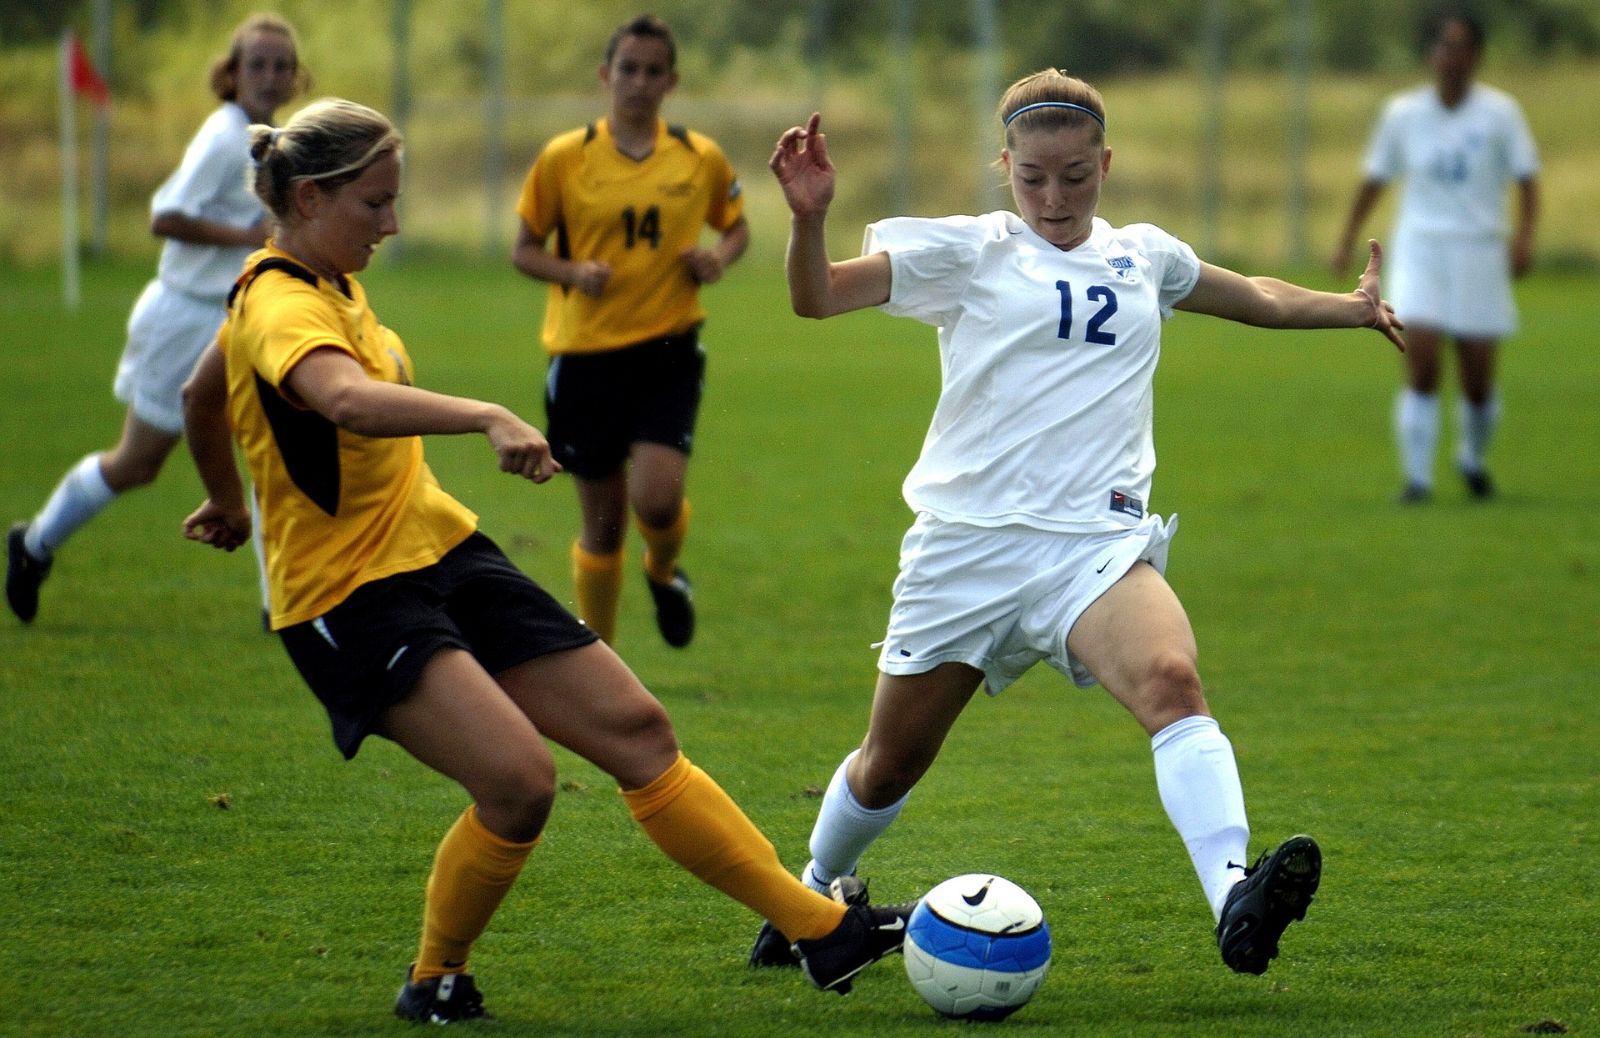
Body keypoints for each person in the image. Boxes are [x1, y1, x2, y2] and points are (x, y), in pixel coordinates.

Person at [180, 97, 910, 1024]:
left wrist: (220, 494)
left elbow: (204, 393)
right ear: (314, 198)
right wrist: (487, 414)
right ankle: (436, 975)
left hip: (440, 550)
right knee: (519, 785)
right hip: (349, 594)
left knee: (640, 732)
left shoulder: (311, 285)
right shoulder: (280, 301)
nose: (393, 223)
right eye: (376, 203)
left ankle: (820, 931)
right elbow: (347, 402)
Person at [749, 71, 1408, 979]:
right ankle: (812, 894)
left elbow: (1253, 295)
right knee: (889, 765)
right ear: (1005, 169)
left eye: (1074, 176)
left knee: (1173, 682)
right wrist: (808, 216)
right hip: (967, 548)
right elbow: (815, 295)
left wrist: (1353, 308)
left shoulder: (1147, 256)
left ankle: (1234, 897)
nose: (1054, 199)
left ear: (1106, 164)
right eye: (1032, 179)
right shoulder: (967, 252)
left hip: (1092, 549)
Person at [6, 14, 306, 624]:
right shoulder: (225, 136)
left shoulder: (275, 138)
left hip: (243, 320)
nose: (270, 77)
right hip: (184, 318)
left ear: (297, 76)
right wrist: (244, 234)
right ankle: (32, 544)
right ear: (232, 72)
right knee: (137, 463)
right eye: (257, 65)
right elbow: (164, 214)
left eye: (282, 66)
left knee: (273, 446)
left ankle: (281, 607)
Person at [511, 14, 749, 649]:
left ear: (671, 81)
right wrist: (571, 271)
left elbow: (736, 226)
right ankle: (602, 662)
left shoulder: (699, 158)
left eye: (653, 71)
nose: (639, 82)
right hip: (585, 356)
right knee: (604, 527)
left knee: (660, 503)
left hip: (668, 348)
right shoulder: (566, 158)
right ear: (605, 75)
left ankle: (665, 571)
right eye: (628, 69)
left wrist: (716, 259)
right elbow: (524, 250)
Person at [1332, 11, 1539, 503]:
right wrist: (1346, 238)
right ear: (1432, 54)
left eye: (1462, 46)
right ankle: (1418, 480)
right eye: (1444, 46)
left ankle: (1472, 458)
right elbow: (1375, 179)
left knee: (1478, 377)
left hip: (1480, 249)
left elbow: (1528, 180)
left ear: (1476, 55)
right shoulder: (1403, 113)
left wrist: (1525, 237)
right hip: (1423, 248)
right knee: (1421, 361)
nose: (1452, 57)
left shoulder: (1501, 113)